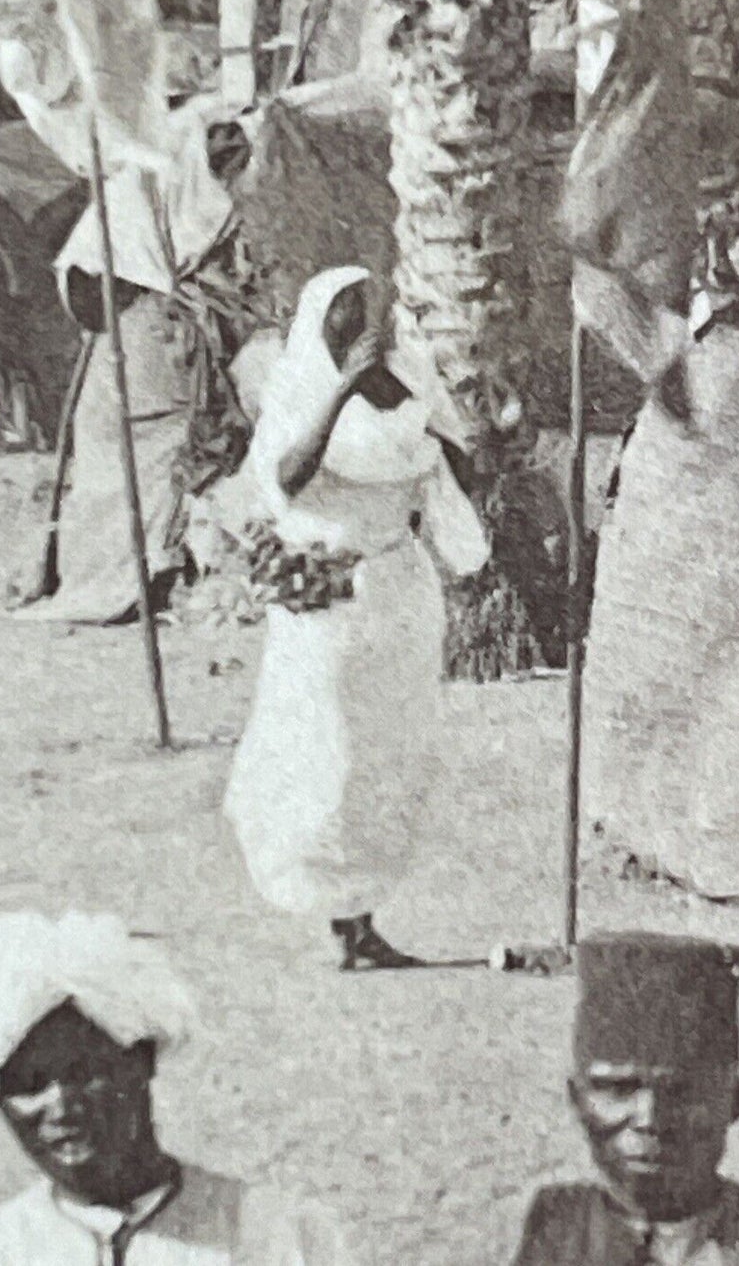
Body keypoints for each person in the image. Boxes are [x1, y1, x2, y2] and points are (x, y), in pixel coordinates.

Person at [223, 265, 489, 969]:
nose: (362, 323)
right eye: (346, 312)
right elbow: (286, 476)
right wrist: (342, 390)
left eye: (368, 308)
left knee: (386, 759)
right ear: (320, 323)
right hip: (329, 596)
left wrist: (425, 407)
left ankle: (363, 921)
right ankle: (338, 916)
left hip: (396, 593)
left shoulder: (403, 385)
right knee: (328, 754)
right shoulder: (301, 391)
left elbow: (461, 471)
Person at [0, 910, 354, 1266]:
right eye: (29, 1085)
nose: (62, 1105)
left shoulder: (279, 1235)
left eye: (84, 1071)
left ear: (141, 1060)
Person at [513, 932, 739, 1266]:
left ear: (736, 1101)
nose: (650, 1118)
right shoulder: (550, 1227)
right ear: (577, 1098)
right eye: (618, 1089)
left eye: (682, 1092)